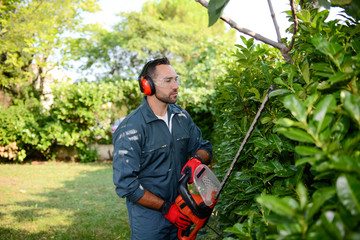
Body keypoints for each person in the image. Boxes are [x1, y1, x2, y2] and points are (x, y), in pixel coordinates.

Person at [112, 57, 213, 239]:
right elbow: (126, 184)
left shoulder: (181, 116)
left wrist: (197, 159)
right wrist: (166, 208)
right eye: (168, 81)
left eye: (176, 79)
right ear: (147, 85)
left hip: (184, 213)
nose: (175, 86)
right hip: (149, 223)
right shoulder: (131, 128)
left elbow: (204, 147)